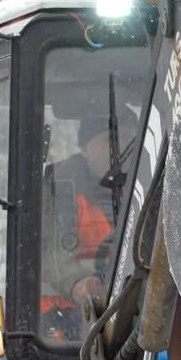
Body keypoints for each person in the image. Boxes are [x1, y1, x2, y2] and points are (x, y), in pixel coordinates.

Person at [41, 113, 129, 338]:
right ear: (85, 148)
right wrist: (77, 282)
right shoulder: (58, 190)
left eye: (130, 138)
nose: (118, 148)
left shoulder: (148, 188)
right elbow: (49, 250)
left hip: (135, 314)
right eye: (108, 140)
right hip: (65, 319)